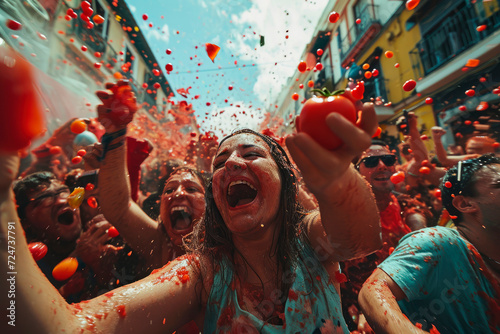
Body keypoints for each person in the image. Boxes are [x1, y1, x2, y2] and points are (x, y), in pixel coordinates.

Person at [0, 80, 381, 333]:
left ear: (286, 185)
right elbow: (69, 327)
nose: (232, 163)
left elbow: (358, 240)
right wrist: (3, 205)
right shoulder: (200, 274)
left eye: (251, 154)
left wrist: (338, 183)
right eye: (219, 163)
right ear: (218, 202)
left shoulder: (310, 240)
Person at [359, 154, 500, 333]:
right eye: (499, 185)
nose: (381, 166)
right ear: (464, 204)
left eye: (388, 160)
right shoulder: (438, 242)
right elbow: (373, 290)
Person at [340, 140, 431, 331]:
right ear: (356, 172)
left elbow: (422, 239)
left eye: (388, 160)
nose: (382, 166)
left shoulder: (408, 204)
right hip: (359, 316)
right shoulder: (341, 216)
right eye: (371, 162)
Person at [12, 171, 124, 302]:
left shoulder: (106, 235)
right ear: (25, 223)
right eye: (43, 198)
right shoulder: (23, 270)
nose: (62, 201)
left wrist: (103, 267)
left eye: (63, 191)